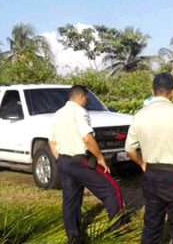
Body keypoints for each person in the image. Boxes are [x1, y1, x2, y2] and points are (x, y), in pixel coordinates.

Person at [125, 72, 173, 244]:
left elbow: (129, 149)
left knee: (152, 223)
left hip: (151, 175)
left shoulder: (139, 115)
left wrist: (142, 163)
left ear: (152, 91)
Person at [49, 85, 123, 244]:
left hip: (64, 161)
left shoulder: (57, 114)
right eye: (86, 98)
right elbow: (87, 138)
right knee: (112, 190)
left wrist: (60, 160)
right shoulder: (79, 111)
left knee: (70, 200)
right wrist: (100, 158)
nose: (87, 101)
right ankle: (117, 231)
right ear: (81, 97)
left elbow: (51, 141)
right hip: (80, 160)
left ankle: (74, 238)